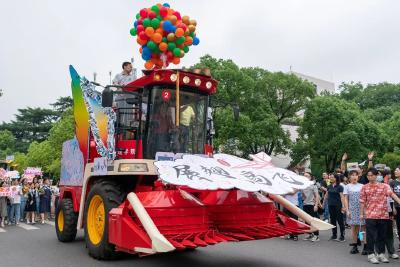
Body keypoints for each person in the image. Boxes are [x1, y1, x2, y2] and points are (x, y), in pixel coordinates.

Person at [360, 167, 400, 264]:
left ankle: (381, 254)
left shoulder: (384, 186)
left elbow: (392, 195)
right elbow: (362, 202)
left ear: (376, 175)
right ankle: (371, 254)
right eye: (368, 176)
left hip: (383, 215)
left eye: (372, 175)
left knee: (382, 235)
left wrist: (399, 201)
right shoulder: (364, 187)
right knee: (371, 236)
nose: (370, 177)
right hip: (370, 215)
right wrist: (361, 214)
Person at [344, 170, 366, 254]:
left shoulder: (362, 186)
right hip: (352, 210)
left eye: (356, 175)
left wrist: (365, 210)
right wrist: (347, 210)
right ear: (349, 177)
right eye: (352, 175)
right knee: (354, 229)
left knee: (363, 228)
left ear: (358, 176)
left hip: (362, 209)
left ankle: (366, 247)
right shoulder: (347, 186)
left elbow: (365, 199)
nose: (354, 177)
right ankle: (354, 246)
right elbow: (346, 199)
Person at [322, 173, 346, 242]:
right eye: (330, 177)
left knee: (340, 220)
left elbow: (342, 197)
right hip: (330, 205)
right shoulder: (329, 186)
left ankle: (342, 235)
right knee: (333, 220)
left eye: (332, 177)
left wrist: (343, 206)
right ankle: (334, 235)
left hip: (338, 205)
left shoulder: (340, 187)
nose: (331, 178)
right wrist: (323, 203)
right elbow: (326, 195)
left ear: (336, 178)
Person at [302, 172, 320, 242]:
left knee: (313, 221)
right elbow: (303, 196)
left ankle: (316, 235)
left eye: (307, 176)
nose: (305, 177)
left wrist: (316, 205)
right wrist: (303, 195)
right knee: (306, 220)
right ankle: (310, 234)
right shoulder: (303, 185)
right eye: (304, 176)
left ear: (310, 177)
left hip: (312, 205)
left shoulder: (313, 185)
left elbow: (317, 196)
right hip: (305, 204)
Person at [391, 166, 400, 251]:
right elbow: (390, 197)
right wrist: (393, 207)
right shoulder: (392, 183)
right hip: (397, 207)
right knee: (399, 226)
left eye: (397, 170)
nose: (395, 171)